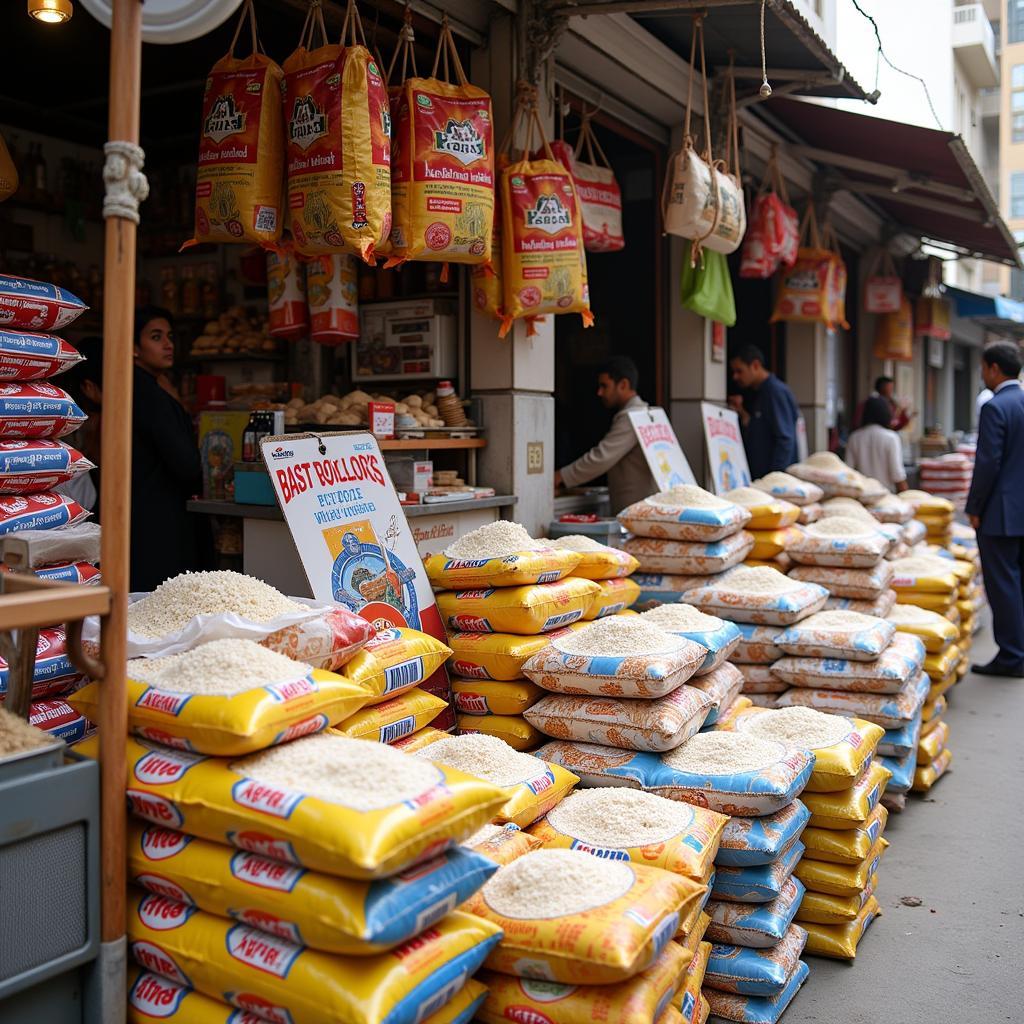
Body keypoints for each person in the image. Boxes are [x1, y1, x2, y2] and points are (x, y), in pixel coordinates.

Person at [130, 306, 204, 592]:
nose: (168, 344)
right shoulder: (149, 396)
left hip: (145, 513)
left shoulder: (144, 388)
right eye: (156, 337)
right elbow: (185, 465)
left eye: (170, 336)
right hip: (158, 518)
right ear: (135, 347)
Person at [965, 341, 1024, 678]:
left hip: (1000, 513)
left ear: (994, 369)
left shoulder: (995, 406)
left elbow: (988, 462)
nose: (983, 374)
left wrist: (974, 507)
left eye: (983, 368)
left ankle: (1013, 656)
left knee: (1002, 585)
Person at [554, 355, 656, 513]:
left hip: (637, 515)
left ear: (623, 385)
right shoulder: (647, 413)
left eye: (604, 386)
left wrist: (561, 477)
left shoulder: (633, 417)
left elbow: (601, 457)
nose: (600, 392)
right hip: (643, 512)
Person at [728, 346, 801, 480]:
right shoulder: (760, 392)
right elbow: (760, 428)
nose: (735, 377)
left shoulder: (774, 392)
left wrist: (775, 479)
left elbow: (785, 438)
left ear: (755, 365)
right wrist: (742, 413)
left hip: (775, 484)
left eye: (740, 371)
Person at [845, 396, 907, 492]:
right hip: (886, 497)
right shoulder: (891, 438)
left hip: (862, 496)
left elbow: (849, 472)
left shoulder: (854, 437)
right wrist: (906, 497)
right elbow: (897, 474)